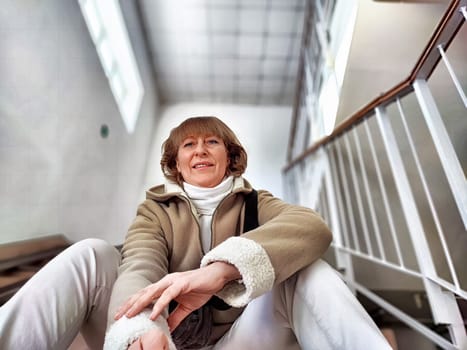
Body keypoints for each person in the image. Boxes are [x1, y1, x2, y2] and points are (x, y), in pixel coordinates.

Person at [0, 116, 391, 350]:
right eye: (189, 144)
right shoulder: (155, 207)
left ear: (229, 156)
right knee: (93, 253)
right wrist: (140, 327)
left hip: (234, 338)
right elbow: (140, 262)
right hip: (159, 334)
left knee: (308, 269)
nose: (200, 150)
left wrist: (221, 270)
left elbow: (312, 227)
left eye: (211, 142)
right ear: (177, 162)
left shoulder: (256, 202)